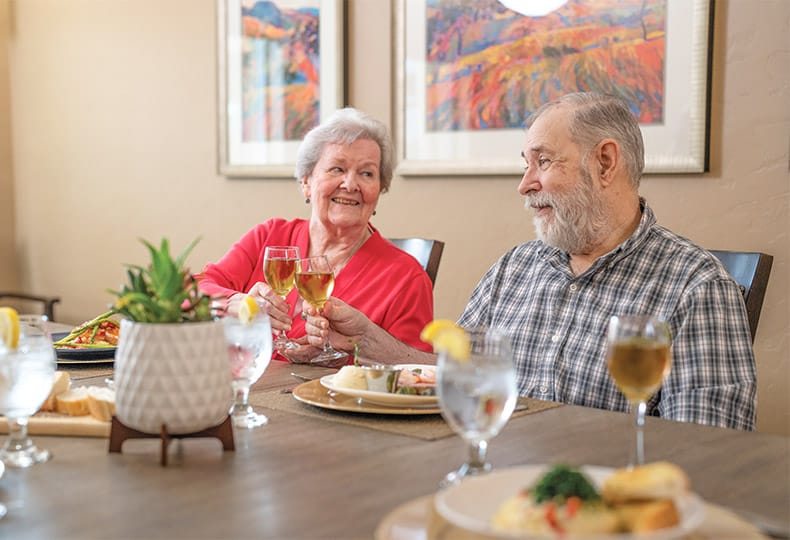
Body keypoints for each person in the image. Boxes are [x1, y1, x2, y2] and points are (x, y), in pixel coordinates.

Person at [304, 92, 756, 430]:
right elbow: (454, 378)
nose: (525, 184)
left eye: (543, 162)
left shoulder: (697, 288)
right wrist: (369, 340)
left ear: (605, 163)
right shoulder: (514, 268)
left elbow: (707, 450)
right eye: (527, 164)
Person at [198, 107, 434, 359]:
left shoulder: (406, 278)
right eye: (337, 169)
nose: (350, 184)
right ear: (306, 182)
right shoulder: (270, 237)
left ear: (379, 190)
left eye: (367, 173)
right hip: (241, 380)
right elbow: (195, 290)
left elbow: (417, 370)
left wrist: (357, 347)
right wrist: (234, 303)